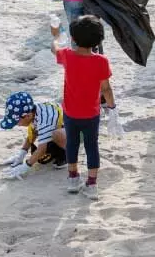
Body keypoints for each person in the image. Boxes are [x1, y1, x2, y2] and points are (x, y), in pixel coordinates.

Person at [51, 15, 118, 200]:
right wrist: (112, 108)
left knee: (72, 143)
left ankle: (73, 178)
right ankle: (92, 183)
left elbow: (55, 48)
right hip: (91, 113)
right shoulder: (101, 61)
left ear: (73, 38)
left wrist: (56, 34)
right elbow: (106, 88)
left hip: (71, 113)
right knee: (91, 145)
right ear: (98, 40)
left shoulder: (67, 56)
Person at [0, 92, 68, 178]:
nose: (18, 125)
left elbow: (42, 149)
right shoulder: (34, 111)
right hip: (61, 127)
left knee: (57, 135)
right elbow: (32, 133)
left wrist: (26, 166)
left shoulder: (45, 121)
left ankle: (69, 155)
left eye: (17, 122)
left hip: (78, 131)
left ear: (28, 116)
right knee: (41, 153)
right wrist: (21, 155)